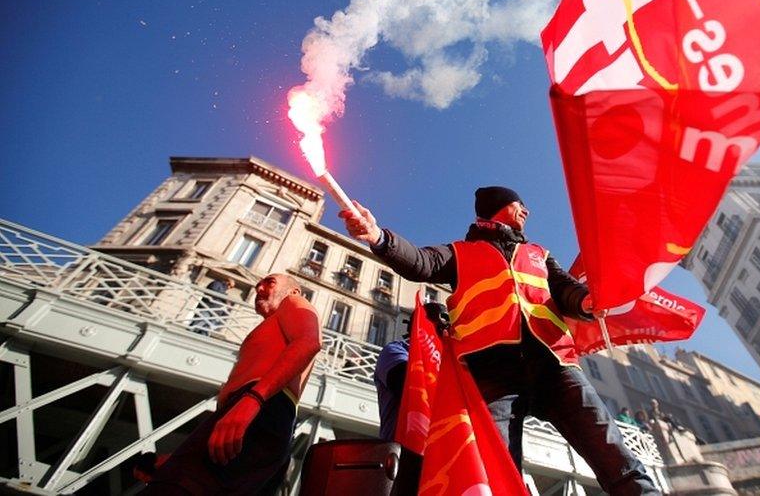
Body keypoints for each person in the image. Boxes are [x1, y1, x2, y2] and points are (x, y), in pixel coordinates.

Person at [341, 186, 659, 496]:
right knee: (496, 471)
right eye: (520, 203)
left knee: (614, 454)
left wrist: (587, 302)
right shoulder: (459, 253)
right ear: (501, 206)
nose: (527, 210)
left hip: (554, 364)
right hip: (491, 374)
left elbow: (567, 290)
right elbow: (420, 262)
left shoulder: (539, 254)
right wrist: (379, 237)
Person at [147, 274, 320, 495]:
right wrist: (179, 459)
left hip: (260, 404)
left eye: (270, 282)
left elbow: (308, 342)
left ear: (293, 291)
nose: (259, 288)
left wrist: (254, 400)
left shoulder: (294, 302)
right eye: (258, 284)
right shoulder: (272, 325)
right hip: (248, 408)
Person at [374, 302, 449, 442]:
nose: (446, 329)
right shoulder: (395, 350)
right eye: (440, 320)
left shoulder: (449, 363)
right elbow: (407, 385)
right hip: (401, 450)